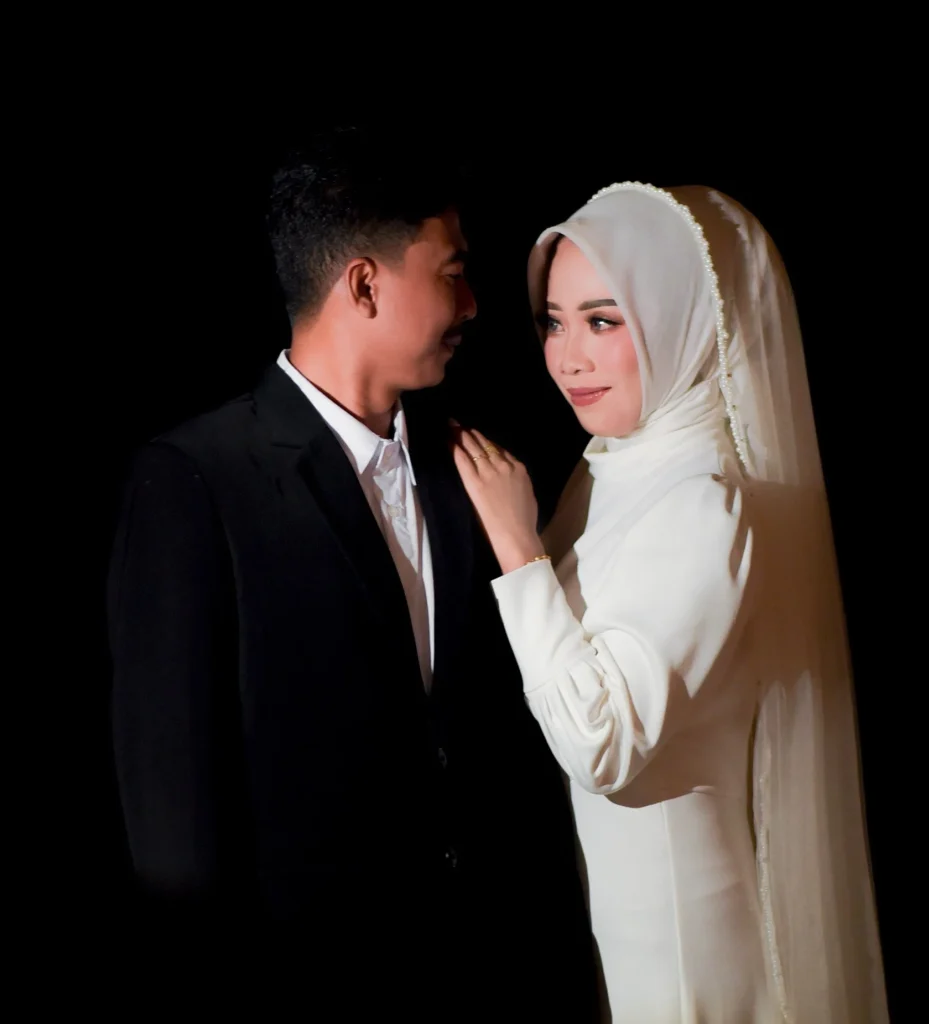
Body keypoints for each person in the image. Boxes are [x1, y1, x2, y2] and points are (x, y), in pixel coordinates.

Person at [108, 127, 596, 1015]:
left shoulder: (476, 468)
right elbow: (174, 814)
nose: (473, 303)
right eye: (452, 272)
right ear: (365, 284)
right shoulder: (195, 481)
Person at [452, 183, 889, 1022]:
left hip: (685, 943)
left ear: (680, 318)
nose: (568, 358)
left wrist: (517, 548)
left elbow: (603, 744)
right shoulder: (614, 465)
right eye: (553, 321)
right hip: (621, 926)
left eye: (603, 321)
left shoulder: (703, 503)